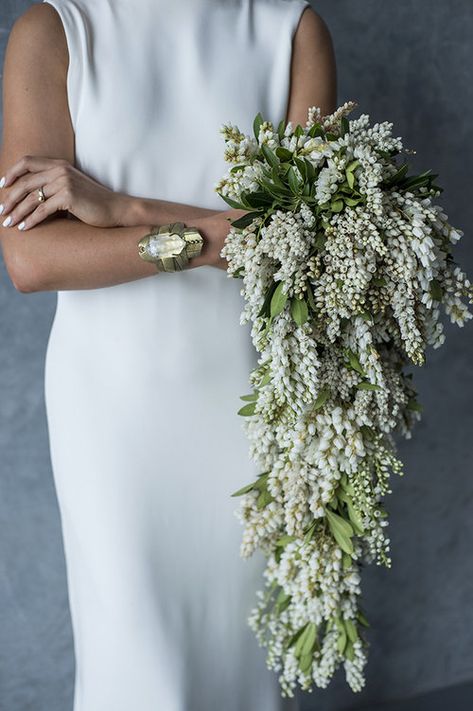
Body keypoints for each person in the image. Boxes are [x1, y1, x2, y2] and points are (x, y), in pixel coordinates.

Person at [0, 0, 336, 709]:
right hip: (113, 408)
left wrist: (122, 211)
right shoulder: (55, 30)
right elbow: (32, 256)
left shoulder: (291, 30)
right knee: (138, 668)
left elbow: (310, 243)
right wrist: (232, 238)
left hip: (256, 401)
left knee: (248, 667)